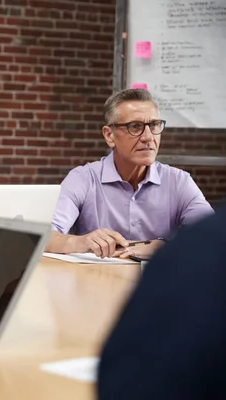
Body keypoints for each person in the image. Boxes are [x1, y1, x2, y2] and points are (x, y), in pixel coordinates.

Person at [46, 89, 213, 258]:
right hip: (96, 281)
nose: (148, 137)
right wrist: (81, 242)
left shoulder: (178, 181)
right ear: (109, 135)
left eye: (154, 125)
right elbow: (43, 237)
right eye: (135, 127)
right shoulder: (83, 179)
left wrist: (165, 246)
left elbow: (213, 236)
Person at [97, 206, 226, 399]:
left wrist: (164, 244)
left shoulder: (206, 245)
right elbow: (50, 233)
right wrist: (78, 240)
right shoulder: (85, 178)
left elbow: (128, 383)